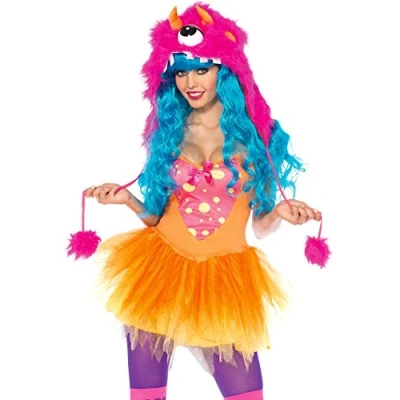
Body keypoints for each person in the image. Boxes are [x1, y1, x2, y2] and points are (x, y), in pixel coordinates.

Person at [83, 4, 323, 400]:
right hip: (157, 270)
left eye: (201, 69)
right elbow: (157, 216)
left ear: (224, 70)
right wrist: (127, 200)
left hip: (225, 279)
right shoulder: (169, 131)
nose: (190, 83)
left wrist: (279, 212)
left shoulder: (259, 136)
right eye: (180, 72)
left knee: (246, 393)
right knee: (146, 394)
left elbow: (260, 227)